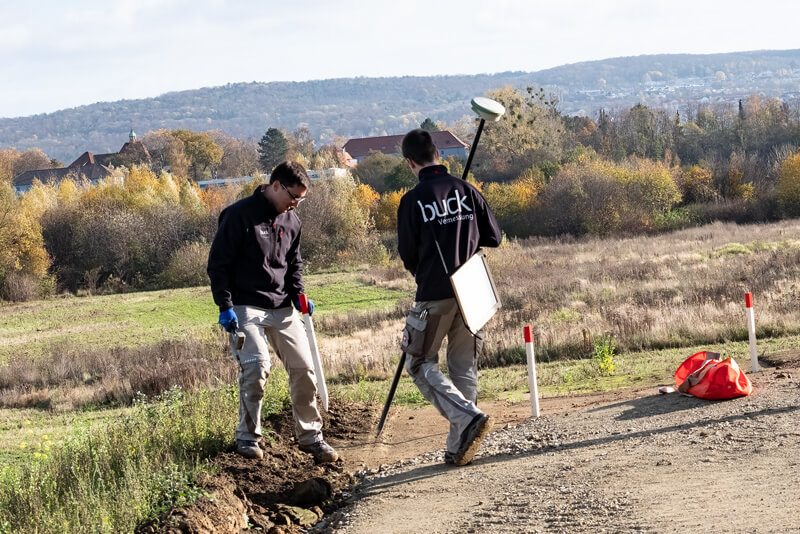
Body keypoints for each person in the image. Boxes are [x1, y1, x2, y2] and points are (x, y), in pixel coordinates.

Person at [207, 161, 338, 463]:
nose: (295, 204)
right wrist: (225, 306)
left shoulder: (292, 221)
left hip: (281, 306)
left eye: (301, 200)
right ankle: (247, 438)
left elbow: (294, 264)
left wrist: (300, 294)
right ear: (276, 185)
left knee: (305, 368)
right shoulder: (238, 216)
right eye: (293, 196)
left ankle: (311, 437)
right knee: (256, 365)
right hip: (245, 305)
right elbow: (218, 265)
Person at [396, 129, 503, 466]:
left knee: (418, 362)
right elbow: (494, 237)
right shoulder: (467, 190)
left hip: (434, 293)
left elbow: (408, 254)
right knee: (463, 368)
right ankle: (459, 447)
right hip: (473, 292)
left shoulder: (412, 201)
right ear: (438, 154)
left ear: (410, 162)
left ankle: (467, 419)